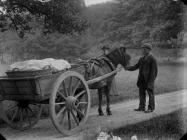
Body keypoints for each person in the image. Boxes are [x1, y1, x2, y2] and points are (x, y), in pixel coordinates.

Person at [125, 43, 158, 113]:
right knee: (141, 94)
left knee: (150, 94)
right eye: (142, 49)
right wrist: (127, 68)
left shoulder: (152, 59)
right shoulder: (141, 58)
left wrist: (151, 82)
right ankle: (141, 107)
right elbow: (136, 66)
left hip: (149, 80)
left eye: (144, 49)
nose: (143, 50)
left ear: (149, 50)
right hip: (141, 80)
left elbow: (154, 72)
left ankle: (151, 108)